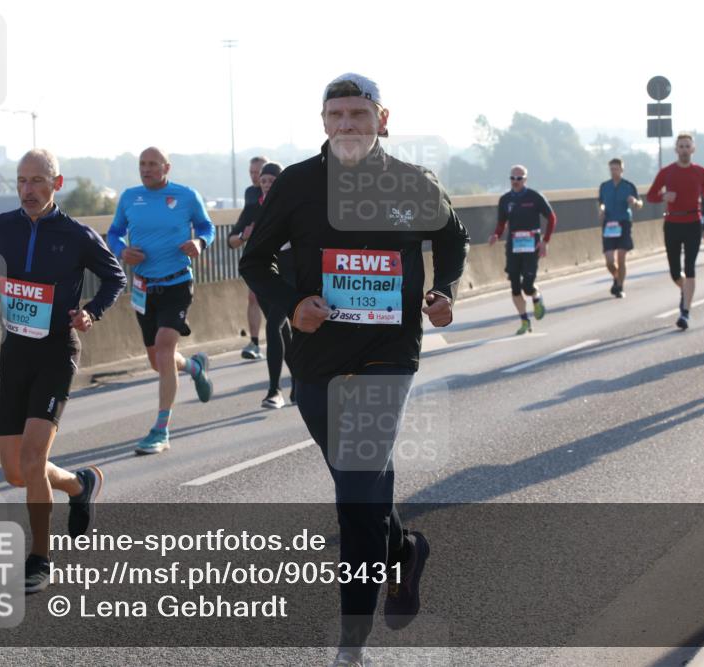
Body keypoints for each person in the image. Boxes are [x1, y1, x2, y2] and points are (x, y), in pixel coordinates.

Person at [240, 73, 469, 667]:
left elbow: (453, 238)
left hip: (388, 352)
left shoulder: (411, 182)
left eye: (358, 115)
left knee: (355, 488)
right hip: (316, 353)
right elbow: (255, 259)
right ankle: (404, 548)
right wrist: (292, 305)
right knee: (360, 487)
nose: (347, 125)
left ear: (382, 119)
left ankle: (350, 644)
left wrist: (443, 289)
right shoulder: (296, 184)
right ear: (323, 122)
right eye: (336, 115)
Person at [0, 149, 126, 593]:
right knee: (16, 471)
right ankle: (79, 486)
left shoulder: (76, 234)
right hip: (14, 352)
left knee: (34, 456)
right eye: (21, 181)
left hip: (57, 352)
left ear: (56, 185)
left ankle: (40, 556)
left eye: (38, 181)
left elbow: (114, 277)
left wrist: (91, 311)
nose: (28, 190)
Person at [107, 147, 215, 455]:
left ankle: (161, 429)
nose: (146, 169)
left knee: (166, 347)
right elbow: (114, 233)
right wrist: (121, 250)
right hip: (143, 288)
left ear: (166, 167)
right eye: (142, 164)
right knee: (159, 361)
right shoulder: (129, 197)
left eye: (153, 164)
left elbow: (207, 227)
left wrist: (199, 241)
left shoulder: (186, 196)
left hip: (177, 283)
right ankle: (194, 368)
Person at [645, 133, 704, 330]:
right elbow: (651, 195)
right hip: (672, 223)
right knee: (675, 271)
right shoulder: (666, 172)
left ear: (693, 149)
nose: (684, 150)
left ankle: (685, 312)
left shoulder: (701, 172)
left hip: (693, 222)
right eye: (681, 146)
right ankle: (685, 291)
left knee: (690, 266)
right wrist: (663, 196)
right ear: (676, 150)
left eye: (687, 146)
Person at [244, 161, 296, 409]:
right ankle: (300, 382)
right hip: (265, 274)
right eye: (263, 181)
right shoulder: (256, 207)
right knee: (284, 332)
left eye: (271, 181)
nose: (265, 185)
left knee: (274, 326)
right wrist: (244, 235)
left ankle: (275, 390)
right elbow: (233, 238)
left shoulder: (293, 204)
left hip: (290, 273)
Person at [487, 165, 557, 334]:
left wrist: (545, 241)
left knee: (527, 285)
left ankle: (536, 297)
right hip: (513, 245)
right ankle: (525, 321)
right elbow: (501, 223)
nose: (515, 181)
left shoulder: (535, 197)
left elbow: (552, 218)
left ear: (525, 179)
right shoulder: (505, 200)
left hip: (531, 244)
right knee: (515, 286)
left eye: (519, 178)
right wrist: (496, 235)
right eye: (512, 178)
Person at [231, 155, 269, 360]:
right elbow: (244, 221)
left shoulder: (282, 192)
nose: (255, 177)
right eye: (252, 173)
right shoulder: (251, 193)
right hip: (258, 255)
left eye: (259, 173)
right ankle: (254, 342)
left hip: (283, 255)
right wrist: (241, 236)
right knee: (253, 297)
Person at [597, 158, 642, 297]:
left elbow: (640, 203)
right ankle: (616, 277)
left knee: (621, 258)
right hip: (609, 224)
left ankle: (620, 287)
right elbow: (601, 202)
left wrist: (634, 202)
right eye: (612, 169)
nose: (614, 171)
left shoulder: (629, 186)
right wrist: (602, 209)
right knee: (610, 261)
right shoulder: (604, 186)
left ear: (622, 170)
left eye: (616, 169)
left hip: (623, 223)